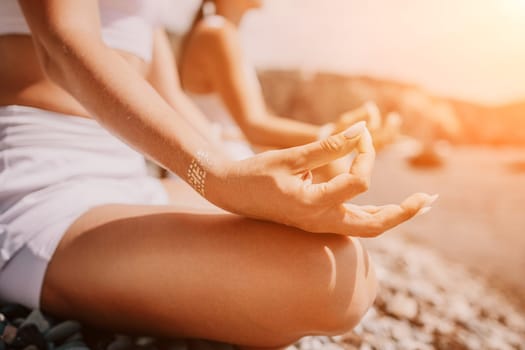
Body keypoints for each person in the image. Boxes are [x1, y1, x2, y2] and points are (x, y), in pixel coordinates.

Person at [0, 1, 435, 349]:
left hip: (131, 179)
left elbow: (168, 99)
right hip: (43, 190)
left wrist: (249, 177)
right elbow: (64, 44)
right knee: (331, 279)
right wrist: (216, 177)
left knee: (338, 252)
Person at [178, 0, 402, 179]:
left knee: (329, 166)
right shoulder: (217, 34)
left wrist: (338, 136)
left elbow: (264, 122)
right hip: (219, 163)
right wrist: (333, 136)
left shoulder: (221, 33)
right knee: (333, 168)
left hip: (226, 154)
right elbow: (253, 126)